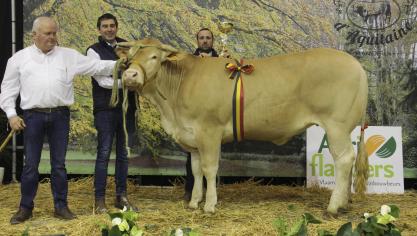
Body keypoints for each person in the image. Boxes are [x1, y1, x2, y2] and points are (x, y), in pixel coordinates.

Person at [0, 16, 116, 224]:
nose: (53, 37)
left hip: (60, 116)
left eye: (54, 33)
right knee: (30, 166)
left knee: (59, 165)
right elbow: (8, 90)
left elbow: (96, 67)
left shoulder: (68, 56)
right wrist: (11, 114)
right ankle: (25, 207)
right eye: (48, 33)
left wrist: (121, 64)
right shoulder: (18, 59)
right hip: (32, 117)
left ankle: (60, 206)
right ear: (34, 35)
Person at [86, 13, 138, 214]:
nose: (109, 29)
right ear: (99, 29)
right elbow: (102, 81)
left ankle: (121, 196)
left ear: (117, 27)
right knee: (104, 153)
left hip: (126, 107)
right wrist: (125, 82)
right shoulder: (93, 51)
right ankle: (99, 200)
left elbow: (136, 70)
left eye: (112, 26)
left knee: (124, 154)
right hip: (105, 109)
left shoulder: (127, 47)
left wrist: (133, 80)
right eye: (105, 26)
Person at [184, 28, 227, 201]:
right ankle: (190, 189)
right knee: (193, 151)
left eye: (208, 38)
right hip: (194, 112)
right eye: (201, 38)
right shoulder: (188, 62)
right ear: (197, 41)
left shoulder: (223, 59)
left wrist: (226, 63)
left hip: (216, 112)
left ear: (213, 41)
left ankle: (211, 191)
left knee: (212, 152)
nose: (204, 41)